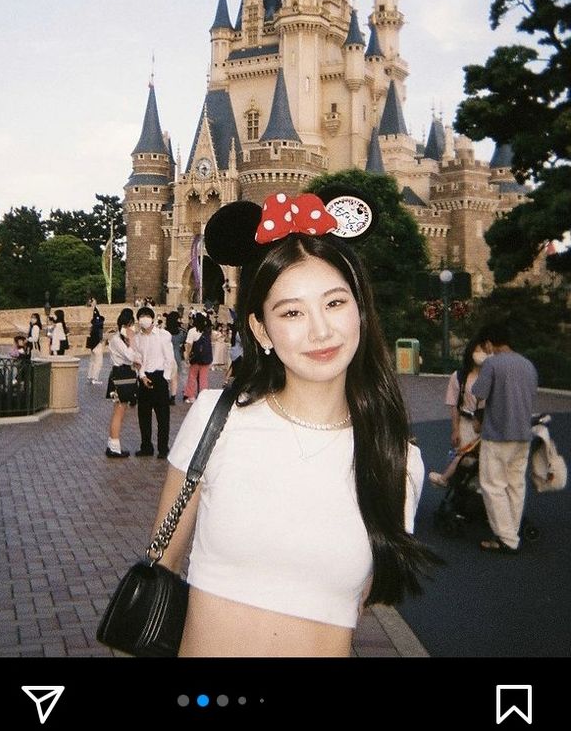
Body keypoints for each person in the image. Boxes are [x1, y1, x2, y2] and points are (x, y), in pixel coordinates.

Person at [148, 192, 435, 657]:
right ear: (261, 329)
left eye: (335, 303)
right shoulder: (214, 422)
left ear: (360, 309)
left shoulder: (397, 460)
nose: (320, 331)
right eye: (292, 312)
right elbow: (160, 563)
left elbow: (359, 601)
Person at [472, 324, 538, 554]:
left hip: (498, 434)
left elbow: (479, 393)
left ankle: (506, 538)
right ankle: (512, 531)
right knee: (515, 485)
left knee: (493, 486)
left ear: (490, 343)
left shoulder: (491, 364)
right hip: (523, 435)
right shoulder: (528, 365)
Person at [429, 338, 485, 487]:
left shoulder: (491, 376)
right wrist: (455, 430)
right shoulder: (459, 377)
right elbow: (453, 405)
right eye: (478, 350)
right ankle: (458, 489)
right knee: (464, 458)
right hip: (467, 424)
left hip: (487, 424)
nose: (481, 354)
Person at [134, 305, 174, 459]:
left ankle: (163, 448)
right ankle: (146, 446)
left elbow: (169, 358)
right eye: (141, 316)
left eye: (146, 316)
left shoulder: (163, 335)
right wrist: (142, 376)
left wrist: (166, 377)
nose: (144, 319)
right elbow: (138, 359)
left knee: (163, 416)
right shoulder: (137, 338)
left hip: (159, 377)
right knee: (144, 414)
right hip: (144, 377)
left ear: (152, 319)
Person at [104, 308, 140, 458]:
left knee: (121, 410)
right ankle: (114, 446)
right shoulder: (117, 340)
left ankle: (113, 444)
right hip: (121, 375)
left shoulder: (121, 340)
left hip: (126, 374)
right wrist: (131, 341)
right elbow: (132, 356)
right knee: (119, 411)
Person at [183, 311, 213, 403]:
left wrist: (187, 357)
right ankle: (203, 395)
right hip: (206, 358)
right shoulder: (207, 330)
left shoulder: (192, 331)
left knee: (192, 377)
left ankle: (191, 395)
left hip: (196, 358)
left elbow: (189, 345)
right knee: (203, 377)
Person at [86, 305, 105, 385]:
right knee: (98, 362)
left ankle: (90, 376)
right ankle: (95, 378)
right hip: (97, 345)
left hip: (92, 345)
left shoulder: (93, 327)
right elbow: (100, 337)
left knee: (92, 361)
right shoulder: (99, 327)